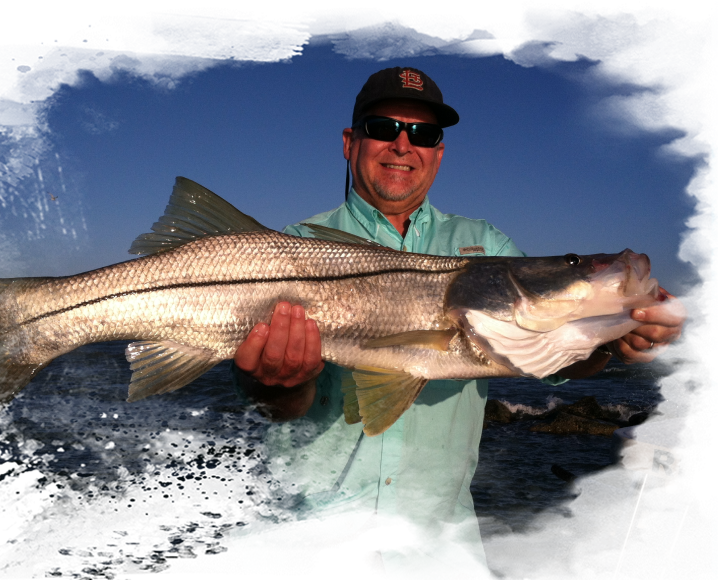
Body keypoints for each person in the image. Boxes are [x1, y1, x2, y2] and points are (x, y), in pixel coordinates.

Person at [227, 67, 687, 579]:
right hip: (311, 542)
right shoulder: (284, 251)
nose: (404, 145)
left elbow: (552, 354)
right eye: (383, 127)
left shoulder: (486, 246)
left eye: (423, 134)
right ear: (349, 142)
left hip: (436, 550)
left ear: (438, 153)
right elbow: (274, 405)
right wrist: (275, 382)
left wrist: (617, 341)